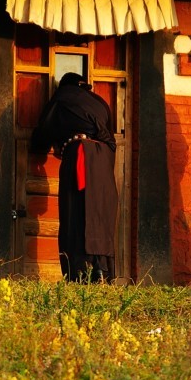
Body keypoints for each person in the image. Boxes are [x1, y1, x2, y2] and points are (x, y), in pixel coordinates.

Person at [30, 72, 118, 282]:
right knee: (101, 213)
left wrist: (43, 146)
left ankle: (81, 272)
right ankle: (103, 271)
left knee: (76, 211)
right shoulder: (99, 102)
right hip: (104, 159)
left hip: (80, 154)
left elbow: (42, 134)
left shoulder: (61, 98)